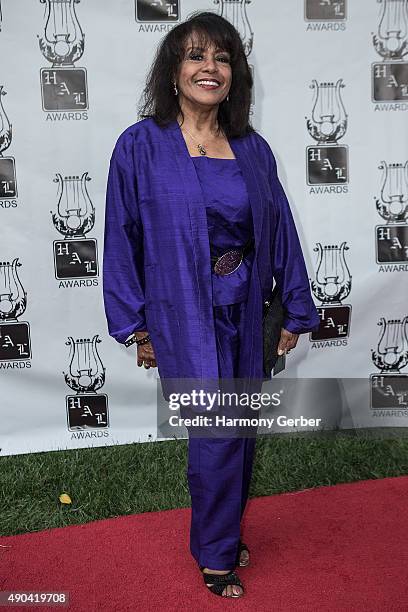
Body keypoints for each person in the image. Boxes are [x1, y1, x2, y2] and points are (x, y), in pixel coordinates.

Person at [102, 11, 320, 599]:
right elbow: (121, 239)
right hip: (181, 318)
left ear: (235, 75)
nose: (210, 67)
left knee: (239, 431)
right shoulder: (140, 145)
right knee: (217, 434)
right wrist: (136, 326)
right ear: (173, 71)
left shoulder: (252, 147)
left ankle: (216, 532)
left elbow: (281, 229)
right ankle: (217, 555)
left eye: (222, 58)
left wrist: (293, 311)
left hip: (245, 311)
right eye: (196, 55)